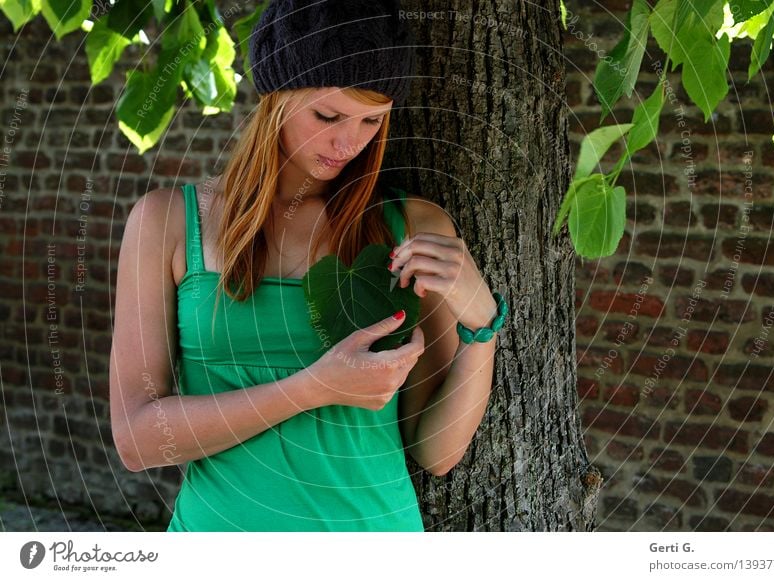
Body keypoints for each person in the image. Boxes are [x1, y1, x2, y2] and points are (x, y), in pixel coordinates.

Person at [109, 0, 507, 532]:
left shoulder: (412, 226)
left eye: (372, 120)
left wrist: (483, 326)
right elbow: (138, 439)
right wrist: (314, 387)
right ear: (276, 99)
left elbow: (435, 451)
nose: (349, 143)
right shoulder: (169, 223)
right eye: (328, 115)